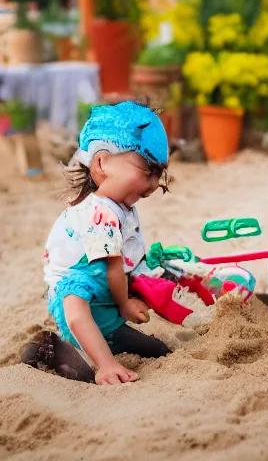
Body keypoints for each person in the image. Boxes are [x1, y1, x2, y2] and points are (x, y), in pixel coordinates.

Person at [21, 102, 172, 385]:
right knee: (89, 372)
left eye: (158, 172)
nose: (153, 183)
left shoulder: (122, 208)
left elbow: (128, 260)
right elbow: (113, 266)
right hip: (81, 304)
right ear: (101, 163)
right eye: (147, 169)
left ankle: (102, 347)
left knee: (159, 350)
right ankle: (50, 347)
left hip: (104, 309)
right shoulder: (98, 213)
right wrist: (125, 303)